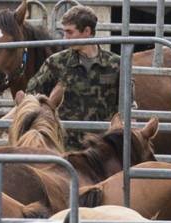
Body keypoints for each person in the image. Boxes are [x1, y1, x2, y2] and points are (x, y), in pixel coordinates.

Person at [26, 5, 127, 149]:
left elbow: (127, 106)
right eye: (64, 32)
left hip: (102, 150)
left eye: (70, 32)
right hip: (64, 148)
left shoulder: (116, 65)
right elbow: (30, 95)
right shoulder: (56, 63)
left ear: (87, 31)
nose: (65, 38)